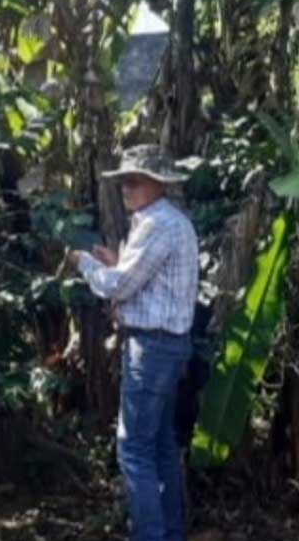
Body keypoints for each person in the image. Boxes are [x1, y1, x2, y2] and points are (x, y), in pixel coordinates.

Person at [69, 144, 199, 541]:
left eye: (135, 181)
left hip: (153, 348)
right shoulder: (167, 221)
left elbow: (120, 286)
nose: (126, 188)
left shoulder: (158, 223)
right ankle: (170, 532)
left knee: (133, 450)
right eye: (124, 181)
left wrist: (84, 263)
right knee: (159, 444)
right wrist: (114, 265)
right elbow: (144, 283)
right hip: (167, 346)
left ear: (158, 183)